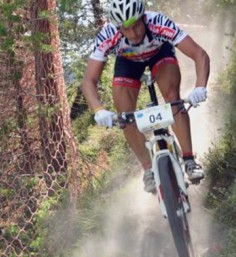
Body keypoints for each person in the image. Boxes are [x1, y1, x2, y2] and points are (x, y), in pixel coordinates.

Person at [81, 0, 210, 193]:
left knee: (173, 98)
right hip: (128, 63)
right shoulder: (108, 35)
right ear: (118, 28)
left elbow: (199, 54)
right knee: (125, 117)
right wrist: (99, 110)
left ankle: (190, 160)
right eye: (127, 29)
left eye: (137, 25)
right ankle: (149, 169)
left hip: (160, 54)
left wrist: (200, 87)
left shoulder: (158, 22)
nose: (134, 34)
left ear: (144, 18)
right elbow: (88, 81)